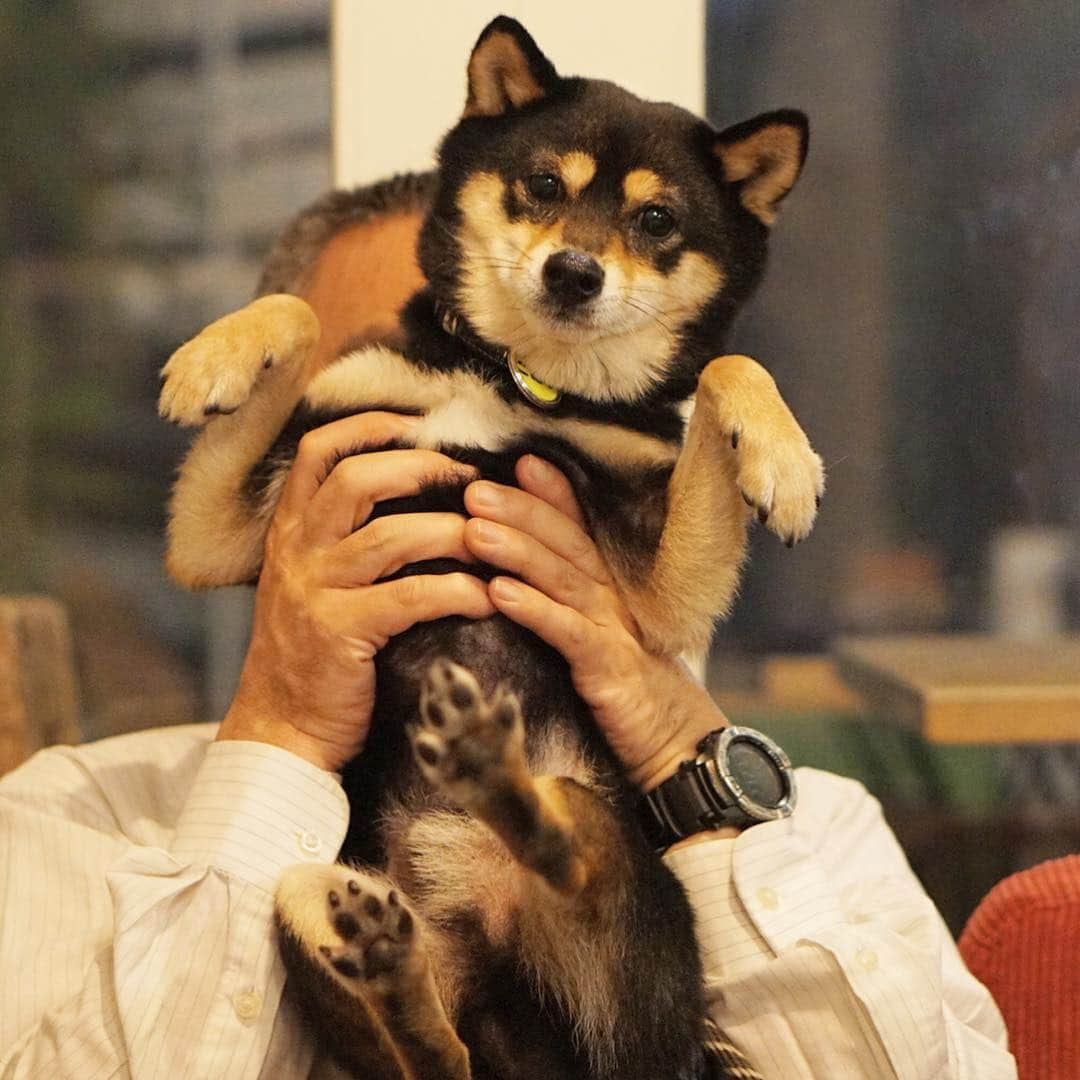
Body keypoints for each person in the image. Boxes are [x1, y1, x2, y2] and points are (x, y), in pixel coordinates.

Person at [0, 413, 1016, 1078]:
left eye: (521, 472)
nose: (455, 513)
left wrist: (679, 761)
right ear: (278, 503)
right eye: (381, 473)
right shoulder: (75, 816)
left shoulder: (799, 836)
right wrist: (279, 738)